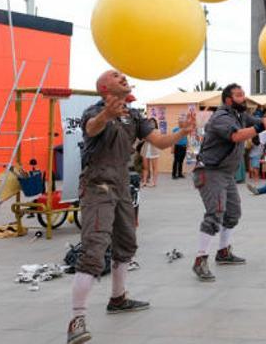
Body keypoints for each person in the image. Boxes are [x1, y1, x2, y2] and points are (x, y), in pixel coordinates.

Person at [67, 70, 196, 344]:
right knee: (94, 249)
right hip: (97, 186)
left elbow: (158, 141)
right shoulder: (94, 111)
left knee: (126, 244)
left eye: (123, 74)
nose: (123, 75)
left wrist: (182, 132)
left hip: (122, 186)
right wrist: (106, 116)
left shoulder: (134, 115)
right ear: (105, 88)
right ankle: (76, 319)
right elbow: (92, 128)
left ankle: (118, 298)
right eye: (115, 75)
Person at [190, 83, 266, 282]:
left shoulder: (240, 116)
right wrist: (262, 126)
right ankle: (200, 259)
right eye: (238, 95)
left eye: (243, 94)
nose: (243, 97)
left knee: (233, 213)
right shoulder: (221, 117)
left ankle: (223, 252)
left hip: (225, 174)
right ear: (228, 99)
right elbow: (236, 135)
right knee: (215, 213)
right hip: (210, 172)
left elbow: (261, 123)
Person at [140, 118, 161, 187]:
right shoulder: (145, 131)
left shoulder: (157, 131)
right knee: (145, 167)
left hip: (154, 150)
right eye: (150, 122)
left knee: (154, 167)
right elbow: (142, 139)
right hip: (145, 150)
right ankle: (144, 182)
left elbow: (156, 139)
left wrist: (149, 137)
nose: (152, 123)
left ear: (155, 124)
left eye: (153, 122)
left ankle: (154, 182)